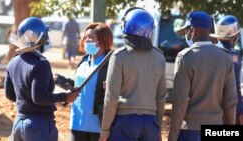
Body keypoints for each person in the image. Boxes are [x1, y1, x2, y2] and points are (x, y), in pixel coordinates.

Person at [4, 17, 78, 141]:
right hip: (38, 126)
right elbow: (39, 97)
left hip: (19, 122)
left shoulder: (13, 61)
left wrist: (47, 81)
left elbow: (10, 95)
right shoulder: (41, 63)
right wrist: (66, 97)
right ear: (40, 38)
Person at [168, 11, 238, 141]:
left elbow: (180, 102)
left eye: (187, 29)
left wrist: (172, 136)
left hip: (190, 130)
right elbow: (231, 101)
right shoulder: (225, 57)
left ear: (192, 30)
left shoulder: (185, 57)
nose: (186, 34)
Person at [99, 7, 167, 141]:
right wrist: (158, 128)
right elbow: (161, 97)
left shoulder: (119, 56)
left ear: (127, 26)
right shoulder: (160, 57)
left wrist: (105, 130)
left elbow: (111, 97)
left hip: (125, 122)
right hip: (150, 123)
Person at [55, 22, 113, 141]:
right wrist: (60, 80)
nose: (87, 40)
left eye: (91, 38)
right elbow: (79, 87)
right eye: (86, 37)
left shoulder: (111, 64)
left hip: (98, 126)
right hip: (78, 122)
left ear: (103, 41)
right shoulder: (83, 61)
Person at [210, 15, 243, 125]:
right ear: (234, 35)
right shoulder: (233, 54)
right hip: (231, 112)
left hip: (211, 111)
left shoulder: (212, 51)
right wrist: (240, 110)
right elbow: (235, 88)